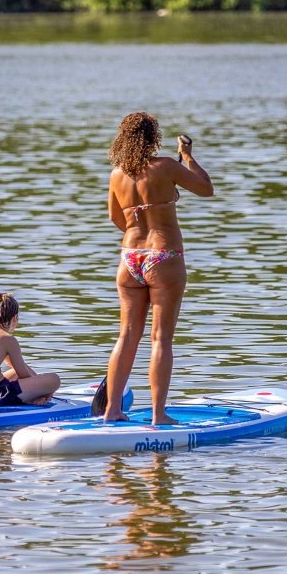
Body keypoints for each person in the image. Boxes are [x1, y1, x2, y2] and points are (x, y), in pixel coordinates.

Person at [102, 112, 213, 425]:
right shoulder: (166, 166)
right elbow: (206, 188)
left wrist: (140, 226)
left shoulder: (117, 174)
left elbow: (116, 219)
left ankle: (112, 410)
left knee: (126, 337)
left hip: (130, 259)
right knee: (160, 339)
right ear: (153, 137)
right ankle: (158, 415)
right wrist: (188, 158)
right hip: (163, 257)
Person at [0, 292, 60, 407]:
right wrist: (44, 389)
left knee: (18, 371)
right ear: (15, 318)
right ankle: (33, 399)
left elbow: (17, 368)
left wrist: (38, 387)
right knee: (54, 379)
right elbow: (24, 374)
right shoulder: (7, 339)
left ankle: (32, 397)